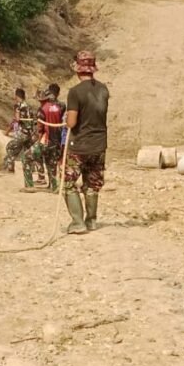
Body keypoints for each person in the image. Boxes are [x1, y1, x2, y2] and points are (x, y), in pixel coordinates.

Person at [64, 51, 109, 233]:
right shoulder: (104, 89)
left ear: (78, 69)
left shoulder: (75, 92)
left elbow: (72, 123)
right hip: (99, 144)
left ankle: (77, 222)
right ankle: (91, 221)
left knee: (68, 183)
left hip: (80, 145)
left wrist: (67, 119)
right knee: (92, 184)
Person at [21, 87, 65, 193]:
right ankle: (54, 187)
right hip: (56, 141)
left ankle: (29, 185)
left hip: (46, 140)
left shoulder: (42, 109)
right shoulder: (58, 107)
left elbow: (40, 128)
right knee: (51, 163)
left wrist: (38, 140)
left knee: (26, 157)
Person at [2, 88, 34, 172]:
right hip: (30, 133)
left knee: (10, 149)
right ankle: (32, 170)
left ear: (16, 96)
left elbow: (16, 120)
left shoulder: (18, 105)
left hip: (22, 133)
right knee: (28, 153)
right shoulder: (28, 106)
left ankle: (9, 169)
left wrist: (8, 131)